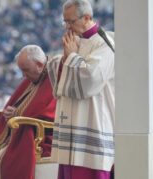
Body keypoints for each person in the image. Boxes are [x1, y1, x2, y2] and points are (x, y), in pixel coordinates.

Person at [47, 0, 115, 179]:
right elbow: (57, 66)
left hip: (92, 123)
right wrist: (64, 60)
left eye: (71, 21)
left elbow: (91, 79)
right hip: (72, 126)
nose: (67, 26)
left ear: (87, 18)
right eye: (65, 21)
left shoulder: (104, 43)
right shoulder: (75, 39)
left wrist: (71, 57)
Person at [0, 45, 56, 179]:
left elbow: (51, 113)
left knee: (9, 160)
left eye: (26, 70)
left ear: (40, 65)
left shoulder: (54, 76)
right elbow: (18, 103)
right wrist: (11, 112)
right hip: (19, 127)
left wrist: (19, 115)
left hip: (39, 135)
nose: (24, 75)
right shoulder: (33, 76)